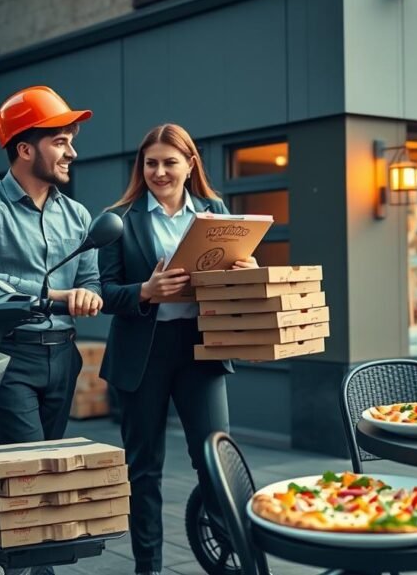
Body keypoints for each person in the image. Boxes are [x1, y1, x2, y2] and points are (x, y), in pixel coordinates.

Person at [97, 123, 257, 575]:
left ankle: (231, 558)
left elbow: (234, 279)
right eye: (152, 163)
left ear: (191, 165)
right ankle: (148, 567)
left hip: (200, 349)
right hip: (141, 355)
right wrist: (145, 291)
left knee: (215, 460)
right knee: (143, 470)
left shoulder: (216, 212)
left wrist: (248, 269)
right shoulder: (119, 218)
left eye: (170, 162)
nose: (160, 171)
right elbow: (105, 292)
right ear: (141, 167)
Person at [0, 85, 103, 449]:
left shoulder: (78, 216)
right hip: (9, 353)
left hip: (64, 356)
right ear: (26, 149)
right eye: (61, 142)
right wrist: (45, 293)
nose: (72, 153)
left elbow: (91, 280)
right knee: (29, 464)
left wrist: (89, 296)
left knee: (49, 462)